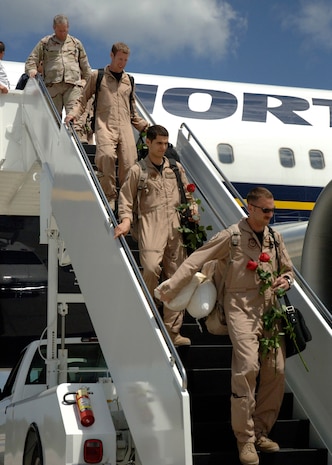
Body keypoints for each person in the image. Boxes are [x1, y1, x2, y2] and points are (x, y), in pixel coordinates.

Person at [157, 187, 294, 465]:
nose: (271, 215)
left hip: (270, 309)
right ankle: (245, 440)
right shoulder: (231, 237)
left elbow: (288, 271)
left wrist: (286, 281)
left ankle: (261, 431)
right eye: (266, 210)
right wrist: (172, 287)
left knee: (276, 369)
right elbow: (198, 258)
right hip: (240, 308)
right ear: (250, 208)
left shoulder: (275, 239)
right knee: (246, 368)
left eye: (272, 210)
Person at [114, 125, 197, 346]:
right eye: (158, 143)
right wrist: (125, 221)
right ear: (148, 143)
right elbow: (126, 200)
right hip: (151, 225)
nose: (162, 147)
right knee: (151, 269)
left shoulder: (175, 169)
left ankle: (172, 332)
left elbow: (187, 193)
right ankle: (148, 317)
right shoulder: (137, 171)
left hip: (176, 227)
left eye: (165, 143)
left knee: (177, 276)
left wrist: (193, 210)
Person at [65, 42, 149, 209]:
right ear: (112, 56)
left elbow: (132, 112)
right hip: (105, 125)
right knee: (106, 156)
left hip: (125, 127)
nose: (122, 63)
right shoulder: (98, 76)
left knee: (129, 164)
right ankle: (110, 197)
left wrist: (147, 128)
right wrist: (73, 114)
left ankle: (125, 203)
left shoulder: (129, 81)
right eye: (120, 59)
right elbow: (82, 100)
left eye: (125, 60)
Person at [25, 14, 91, 126]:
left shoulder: (76, 43)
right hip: (52, 86)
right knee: (53, 119)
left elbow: (85, 66)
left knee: (74, 116)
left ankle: (75, 139)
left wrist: (89, 84)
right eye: (60, 31)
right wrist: (32, 70)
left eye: (65, 30)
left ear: (68, 27)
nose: (62, 33)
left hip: (73, 85)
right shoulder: (45, 43)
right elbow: (31, 60)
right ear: (54, 28)